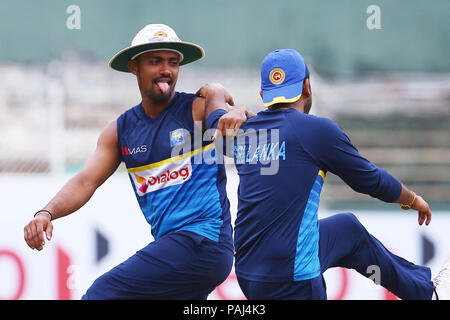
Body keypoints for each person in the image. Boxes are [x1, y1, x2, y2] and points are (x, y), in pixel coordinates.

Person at [201, 49, 450, 300]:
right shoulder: (317, 132)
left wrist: (216, 90)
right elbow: (370, 180)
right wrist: (412, 199)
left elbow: (213, 115)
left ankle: (425, 292)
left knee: (348, 230)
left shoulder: (240, 131)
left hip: (248, 272)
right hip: (291, 279)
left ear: (263, 95)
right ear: (307, 88)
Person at [23, 24, 247, 300]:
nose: (166, 70)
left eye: (173, 62)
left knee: (101, 295)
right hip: (181, 250)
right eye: (155, 61)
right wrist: (45, 213)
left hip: (203, 242)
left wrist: (232, 107)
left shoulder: (196, 110)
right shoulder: (120, 130)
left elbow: (236, 134)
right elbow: (85, 181)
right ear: (134, 67)